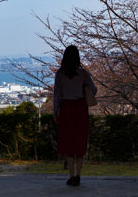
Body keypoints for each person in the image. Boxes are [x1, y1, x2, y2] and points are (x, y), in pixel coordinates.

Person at [53, 45, 97, 186]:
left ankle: (71, 175)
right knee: (79, 141)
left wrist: (55, 112)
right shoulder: (83, 73)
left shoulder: (60, 74)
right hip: (80, 108)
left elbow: (57, 96)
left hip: (66, 108)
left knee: (68, 142)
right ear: (78, 57)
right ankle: (78, 175)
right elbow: (94, 90)